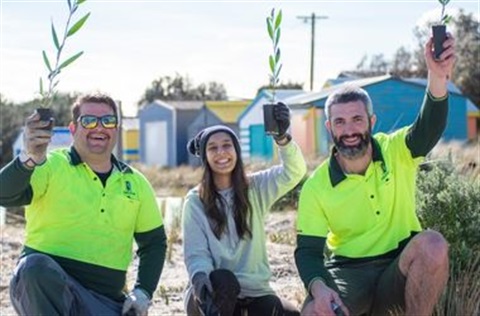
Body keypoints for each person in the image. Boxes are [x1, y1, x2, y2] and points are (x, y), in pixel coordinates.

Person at [295, 35, 456, 316]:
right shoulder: (316, 186)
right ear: (329, 127)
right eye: (340, 122)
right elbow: (308, 252)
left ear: (371, 121)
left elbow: (428, 128)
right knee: (313, 312)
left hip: (400, 266)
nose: (349, 130)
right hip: (349, 273)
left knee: (432, 245)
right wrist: (319, 289)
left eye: (357, 119)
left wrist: (437, 76)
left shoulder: (395, 150)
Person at [0, 93, 167, 316]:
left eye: (107, 121)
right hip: (44, 292)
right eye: (88, 121)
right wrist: (28, 157)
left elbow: (154, 243)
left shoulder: (136, 183)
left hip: (103, 302)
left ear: (116, 129)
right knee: (34, 268)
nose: (99, 128)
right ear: (72, 129)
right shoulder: (50, 165)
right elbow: (4, 194)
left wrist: (143, 292)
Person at [182, 102, 307, 316]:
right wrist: (201, 279)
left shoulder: (256, 188)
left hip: (254, 292)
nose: (221, 152)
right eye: (213, 147)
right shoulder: (195, 201)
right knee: (224, 280)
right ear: (205, 156)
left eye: (227, 145)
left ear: (236, 151)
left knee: (289, 314)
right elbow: (196, 253)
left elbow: (294, 172)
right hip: (210, 292)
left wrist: (282, 138)